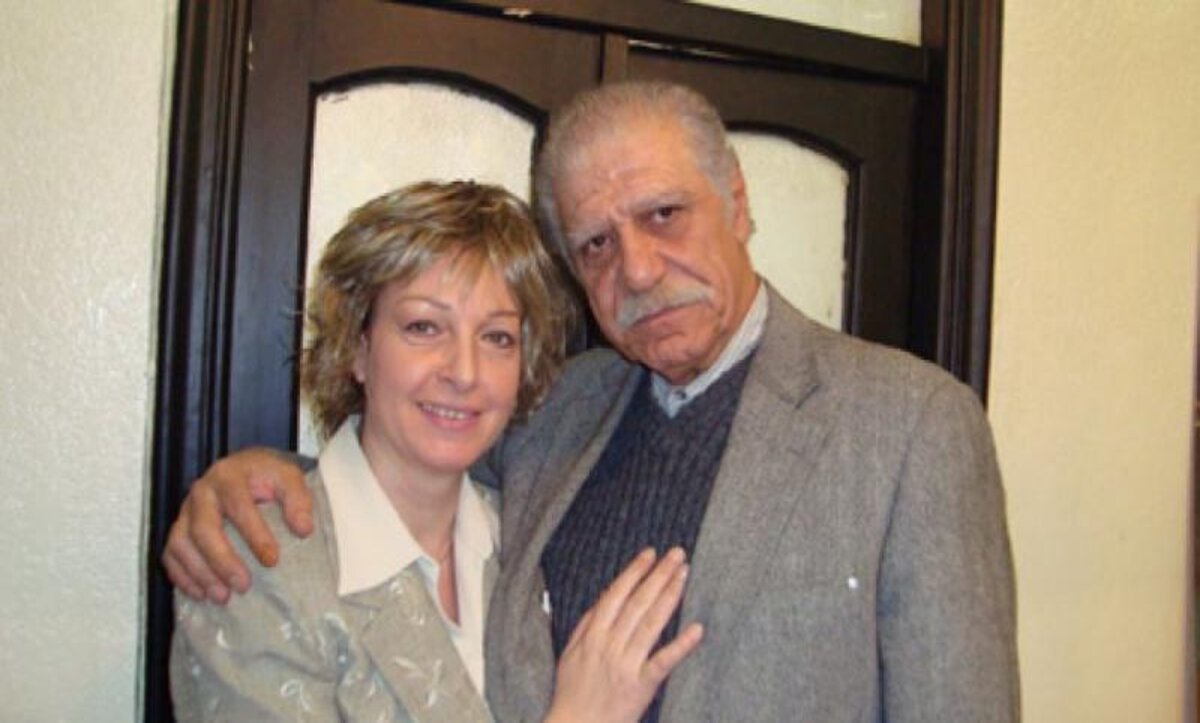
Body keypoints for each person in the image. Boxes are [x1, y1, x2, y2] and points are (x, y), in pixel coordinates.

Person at [166, 82, 1020, 721]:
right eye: (598, 243)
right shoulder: (562, 407)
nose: (638, 269)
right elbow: (402, 475)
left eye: (665, 213)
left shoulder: (912, 424)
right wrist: (259, 482)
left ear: (736, 201)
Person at [169, 180, 702, 722]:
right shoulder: (256, 564)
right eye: (424, 327)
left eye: (497, 337)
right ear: (357, 346)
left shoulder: (521, 533)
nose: (465, 373)